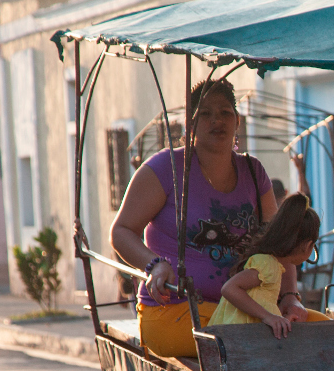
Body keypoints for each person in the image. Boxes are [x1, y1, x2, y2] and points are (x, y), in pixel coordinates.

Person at [110, 80, 306, 357]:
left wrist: (289, 298)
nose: (217, 121)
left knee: (323, 333)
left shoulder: (253, 171)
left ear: (237, 121)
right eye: (205, 113)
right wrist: (154, 265)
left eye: (225, 112)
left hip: (247, 309)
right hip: (175, 311)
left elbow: (279, 243)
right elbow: (121, 231)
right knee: (255, 343)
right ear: (190, 124)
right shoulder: (164, 169)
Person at [209, 193, 329, 337]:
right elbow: (229, 288)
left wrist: (281, 319)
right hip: (238, 339)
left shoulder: (274, 265)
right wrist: (268, 316)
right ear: (308, 245)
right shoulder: (269, 265)